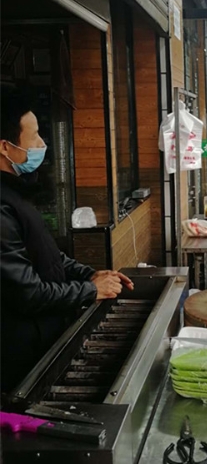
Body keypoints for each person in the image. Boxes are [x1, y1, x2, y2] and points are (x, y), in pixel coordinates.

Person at [0, 88, 134, 392]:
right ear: (5, 147)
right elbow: (27, 294)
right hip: (20, 360)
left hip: (45, 341)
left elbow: (48, 255)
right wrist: (90, 290)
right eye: (34, 136)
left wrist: (89, 275)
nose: (41, 144)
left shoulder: (16, 193)